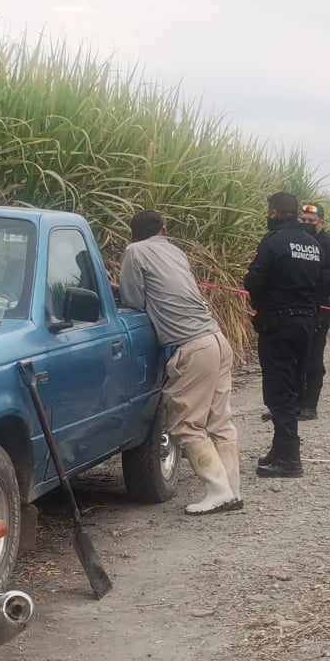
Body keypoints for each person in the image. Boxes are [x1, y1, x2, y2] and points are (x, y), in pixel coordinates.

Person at [117, 210, 242, 514]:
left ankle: (219, 491)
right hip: (216, 339)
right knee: (219, 421)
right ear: (163, 229)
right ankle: (232, 491)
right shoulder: (175, 251)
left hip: (193, 347)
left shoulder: (134, 251)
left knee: (186, 423)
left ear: (134, 233)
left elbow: (132, 301)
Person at [243, 191, 322, 478]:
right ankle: (281, 449)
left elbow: (254, 280)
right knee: (293, 387)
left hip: (279, 325)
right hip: (305, 323)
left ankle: (289, 459)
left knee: (279, 390)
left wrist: (262, 302)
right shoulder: (312, 243)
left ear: (275, 212)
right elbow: (322, 282)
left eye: (270, 212)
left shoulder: (273, 242)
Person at [298, 202, 330, 420]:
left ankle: (310, 405)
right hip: (297, 307)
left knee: (313, 357)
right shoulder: (296, 242)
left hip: (320, 307)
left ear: (321, 223)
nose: (306, 224)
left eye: (311, 221)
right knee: (294, 357)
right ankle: (294, 403)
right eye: (303, 220)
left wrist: (309, 276)